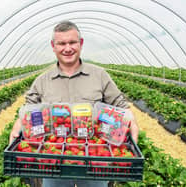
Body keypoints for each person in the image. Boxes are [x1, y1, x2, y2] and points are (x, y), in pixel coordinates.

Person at [9, 20, 139, 187]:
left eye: (72, 42)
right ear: (53, 46)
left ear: (81, 43)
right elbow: (28, 110)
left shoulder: (99, 75)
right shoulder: (42, 81)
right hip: (53, 160)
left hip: (94, 159)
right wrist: (16, 128)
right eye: (61, 43)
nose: (67, 48)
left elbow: (120, 105)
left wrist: (132, 123)